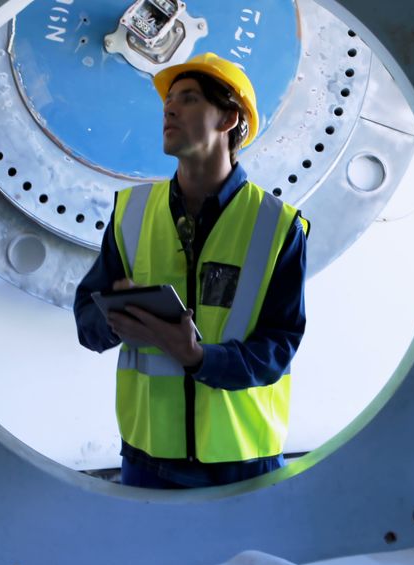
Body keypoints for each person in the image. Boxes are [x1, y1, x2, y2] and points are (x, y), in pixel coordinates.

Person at [73, 53, 309, 489]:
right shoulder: (132, 212)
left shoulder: (278, 225)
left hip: (244, 460)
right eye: (169, 102)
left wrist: (198, 359)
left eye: (189, 98)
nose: (170, 108)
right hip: (148, 461)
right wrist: (118, 323)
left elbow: (279, 347)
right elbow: (86, 324)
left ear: (228, 119)